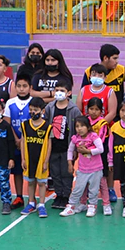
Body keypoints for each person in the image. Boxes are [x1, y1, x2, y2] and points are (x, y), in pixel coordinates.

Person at [44, 78, 81, 210]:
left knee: (66, 172)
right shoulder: (50, 107)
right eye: (57, 90)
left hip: (67, 147)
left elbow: (78, 129)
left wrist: (75, 148)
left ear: (69, 93)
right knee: (55, 172)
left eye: (62, 90)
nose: (59, 93)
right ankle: (58, 194)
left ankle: (66, 195)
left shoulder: (74, 110)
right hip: (53, 146)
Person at [60, 117, 105, 218]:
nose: (79, 128)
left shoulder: (93, 136)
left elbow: (100, 149)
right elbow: (70, 150)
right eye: (77, 126)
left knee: (94, 190)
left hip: (95, 169)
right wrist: (70, 163)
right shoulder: (75, 138)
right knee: (77, 189)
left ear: (88, 127)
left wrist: (88, 151)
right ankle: (71, 206)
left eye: (82, 126)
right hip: (82, 169)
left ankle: (92, 206)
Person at [81, 43, 125, 108]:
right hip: (97, 113)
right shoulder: (90, 72)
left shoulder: (121, 70)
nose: (117, 61)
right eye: (114, 58)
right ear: (105, 58)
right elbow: (82, 94)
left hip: (118, 113)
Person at [4, 77, 34, 209]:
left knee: (32, 171)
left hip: (31, 143)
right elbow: (7, 123)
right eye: (19, 86)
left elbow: (36, 123)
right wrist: (16, 139)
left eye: (25, 86)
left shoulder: (34, 102)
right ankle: (19, 196)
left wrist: (24, 139)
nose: (22, 89)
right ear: (15, 87)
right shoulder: (10, 103)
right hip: (15, 143)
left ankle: (32, 199)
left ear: (30, 87)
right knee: (17, 171)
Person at [19, 97, 51, 218]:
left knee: (42, 183)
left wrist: (46, 161)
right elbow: (22, 142)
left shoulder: (47, 127)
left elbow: (49, 145)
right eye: (31, 109)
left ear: (42, 111)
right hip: (29, 158)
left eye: (35, 110)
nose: (33, 112)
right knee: (31, 182)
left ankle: (41, 205)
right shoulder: (25, 125)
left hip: (41, 159)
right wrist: (23, 159)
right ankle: (31, 203)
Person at [85, 97, 113, 216]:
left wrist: (89, 149)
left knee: (102, 180)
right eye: (91, 109)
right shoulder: (85, 121)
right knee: (85, 179)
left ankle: (106, 204)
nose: (94, 112)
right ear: (87, 109)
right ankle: (84, 203)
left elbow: (100, 140)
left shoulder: (103, 123)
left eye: (97, 109)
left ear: (101, 111)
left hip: (99, 155)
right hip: (86, 155)